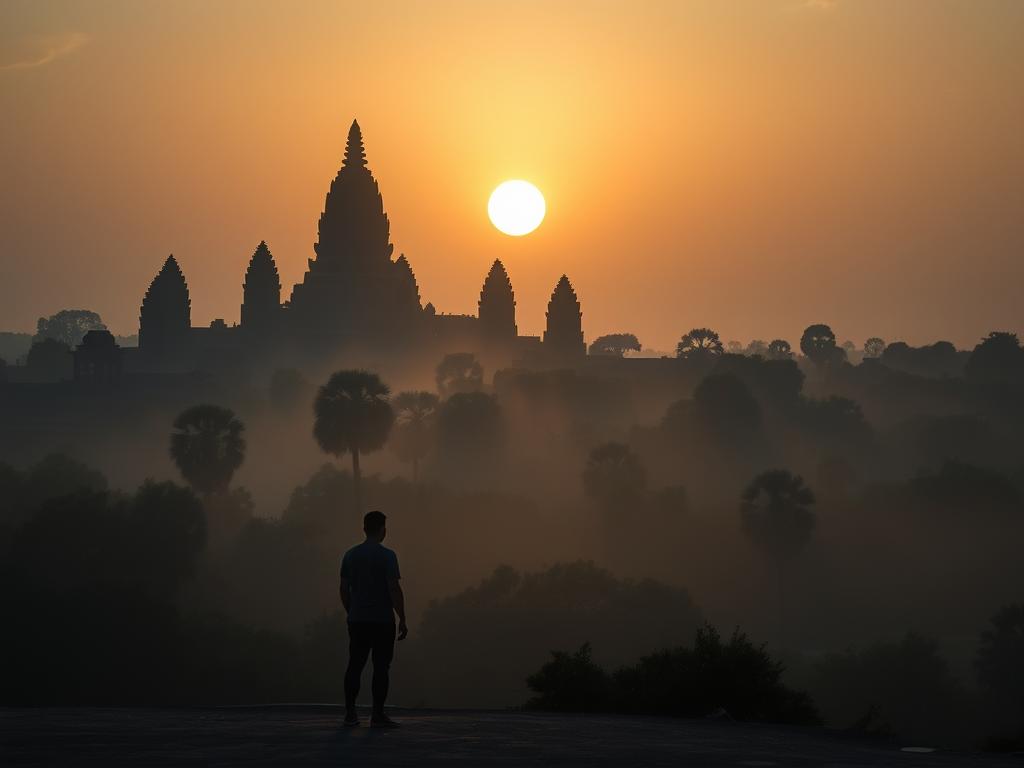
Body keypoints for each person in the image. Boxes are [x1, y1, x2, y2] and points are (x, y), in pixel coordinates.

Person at [340, 510, 408, 727]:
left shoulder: (350, 555)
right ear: (383, 531)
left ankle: (350, 713)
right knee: (381, 667)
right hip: (382, 621)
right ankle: (377, 714)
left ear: (364, 529)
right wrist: (403, 618)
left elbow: (343, 588)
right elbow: (393, 588)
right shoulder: (388, 556)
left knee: (355, 665)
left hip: (358, 619)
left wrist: (351, 610)